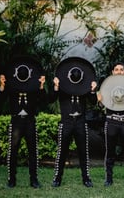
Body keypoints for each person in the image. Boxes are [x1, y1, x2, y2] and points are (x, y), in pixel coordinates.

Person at [0, 56, 46, 188]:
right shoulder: (12, 85)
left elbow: (44, 99)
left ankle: (34, 180)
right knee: (13, 151)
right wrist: (2, 85)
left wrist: (41, 85)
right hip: (16, 121)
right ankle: (11, 180)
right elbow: (0, 99)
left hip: (30, 121)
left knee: (33, 151)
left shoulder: (33, 86)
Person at [51, 57, 97, 188]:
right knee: (62, 152)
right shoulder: (62, 85)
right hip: (66, 122)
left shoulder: (84, 86)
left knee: (83, 151)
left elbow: (93, 101)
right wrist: (55, 87)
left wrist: (93, 90)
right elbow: (50, 99)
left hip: (80, 122)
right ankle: (57, 179)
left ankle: (86, 179)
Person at [97, 62, 124, 187]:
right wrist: (99, 101)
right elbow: (101, 105)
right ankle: (109, 179)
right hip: (111, 122)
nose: (119, 71)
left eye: (121, 69)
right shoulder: (106, 86)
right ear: (113, 72)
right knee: (110, 152)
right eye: (116, 69)